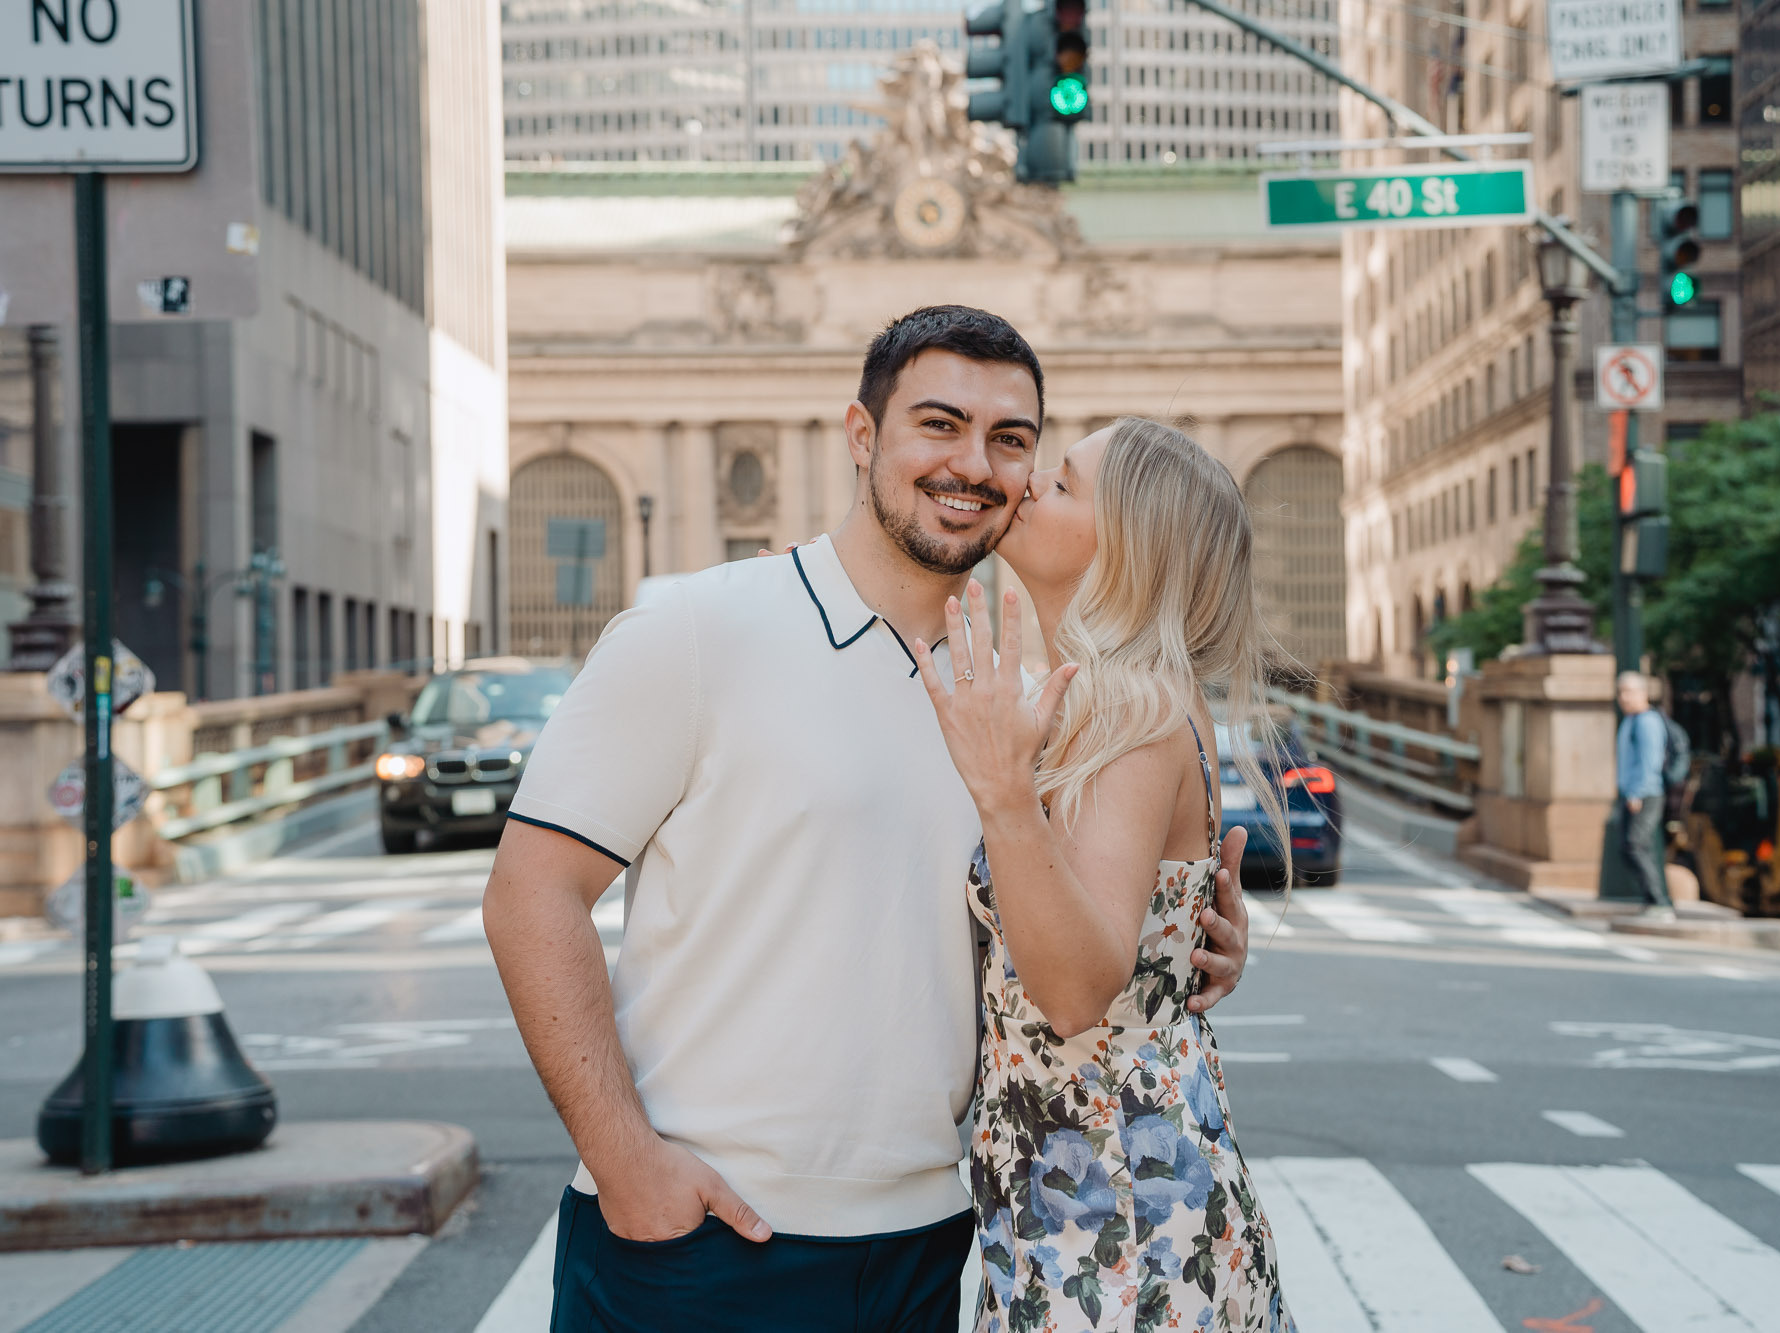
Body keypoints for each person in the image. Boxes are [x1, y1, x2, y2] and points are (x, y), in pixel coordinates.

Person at [481, 306, 1254, 1332]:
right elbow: (529, 893)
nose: (973, 464)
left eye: (1013, 442)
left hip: (936, 1249)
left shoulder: (1042, 698)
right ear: (861, 437)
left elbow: (1088, 932)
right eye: (937, 424)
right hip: (700, 1241)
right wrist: (628, 1166)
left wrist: (1184, 941)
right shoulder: (698, 631)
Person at [911, 418, 1295, 1331]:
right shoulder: (1116, 695)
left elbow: (1078, 987)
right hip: (1090, 1204)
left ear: (1130, 549)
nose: (1031, 481)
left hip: (1117, 1231)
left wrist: (1004, 795)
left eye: (1068, 482)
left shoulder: (1127, 704)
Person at [1616, 669, 1675, 919]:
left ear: (1643, 693)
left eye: (1628, 691)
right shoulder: (1630, 721)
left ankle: (1660, 903)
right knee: (1633, 846)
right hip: (1633, 793)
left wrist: (1636, 793)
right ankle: (1653, 901)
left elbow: (1650, 762)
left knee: (1636, 846)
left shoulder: (1647, 722)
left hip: (1645, 794)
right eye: (1620, 692)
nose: (1623, 697)